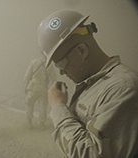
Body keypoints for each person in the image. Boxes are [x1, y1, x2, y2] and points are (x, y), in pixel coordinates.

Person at [37, 9, 138, 158]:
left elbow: (92, 154)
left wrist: (58, 107)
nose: (61, 72)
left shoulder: (122, 88)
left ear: (81, 51)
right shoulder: (92, 84)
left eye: (60, 63)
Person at [23, 53, 57, 130]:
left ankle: (29, 122)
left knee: (29, 104)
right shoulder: (50, 65)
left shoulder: (34, 62)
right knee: (43, 106)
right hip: (43, 88)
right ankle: (41, 123)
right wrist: (54, 90)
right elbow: (54, 79)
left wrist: (25, 87)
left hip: (33, 87)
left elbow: (27, 76)